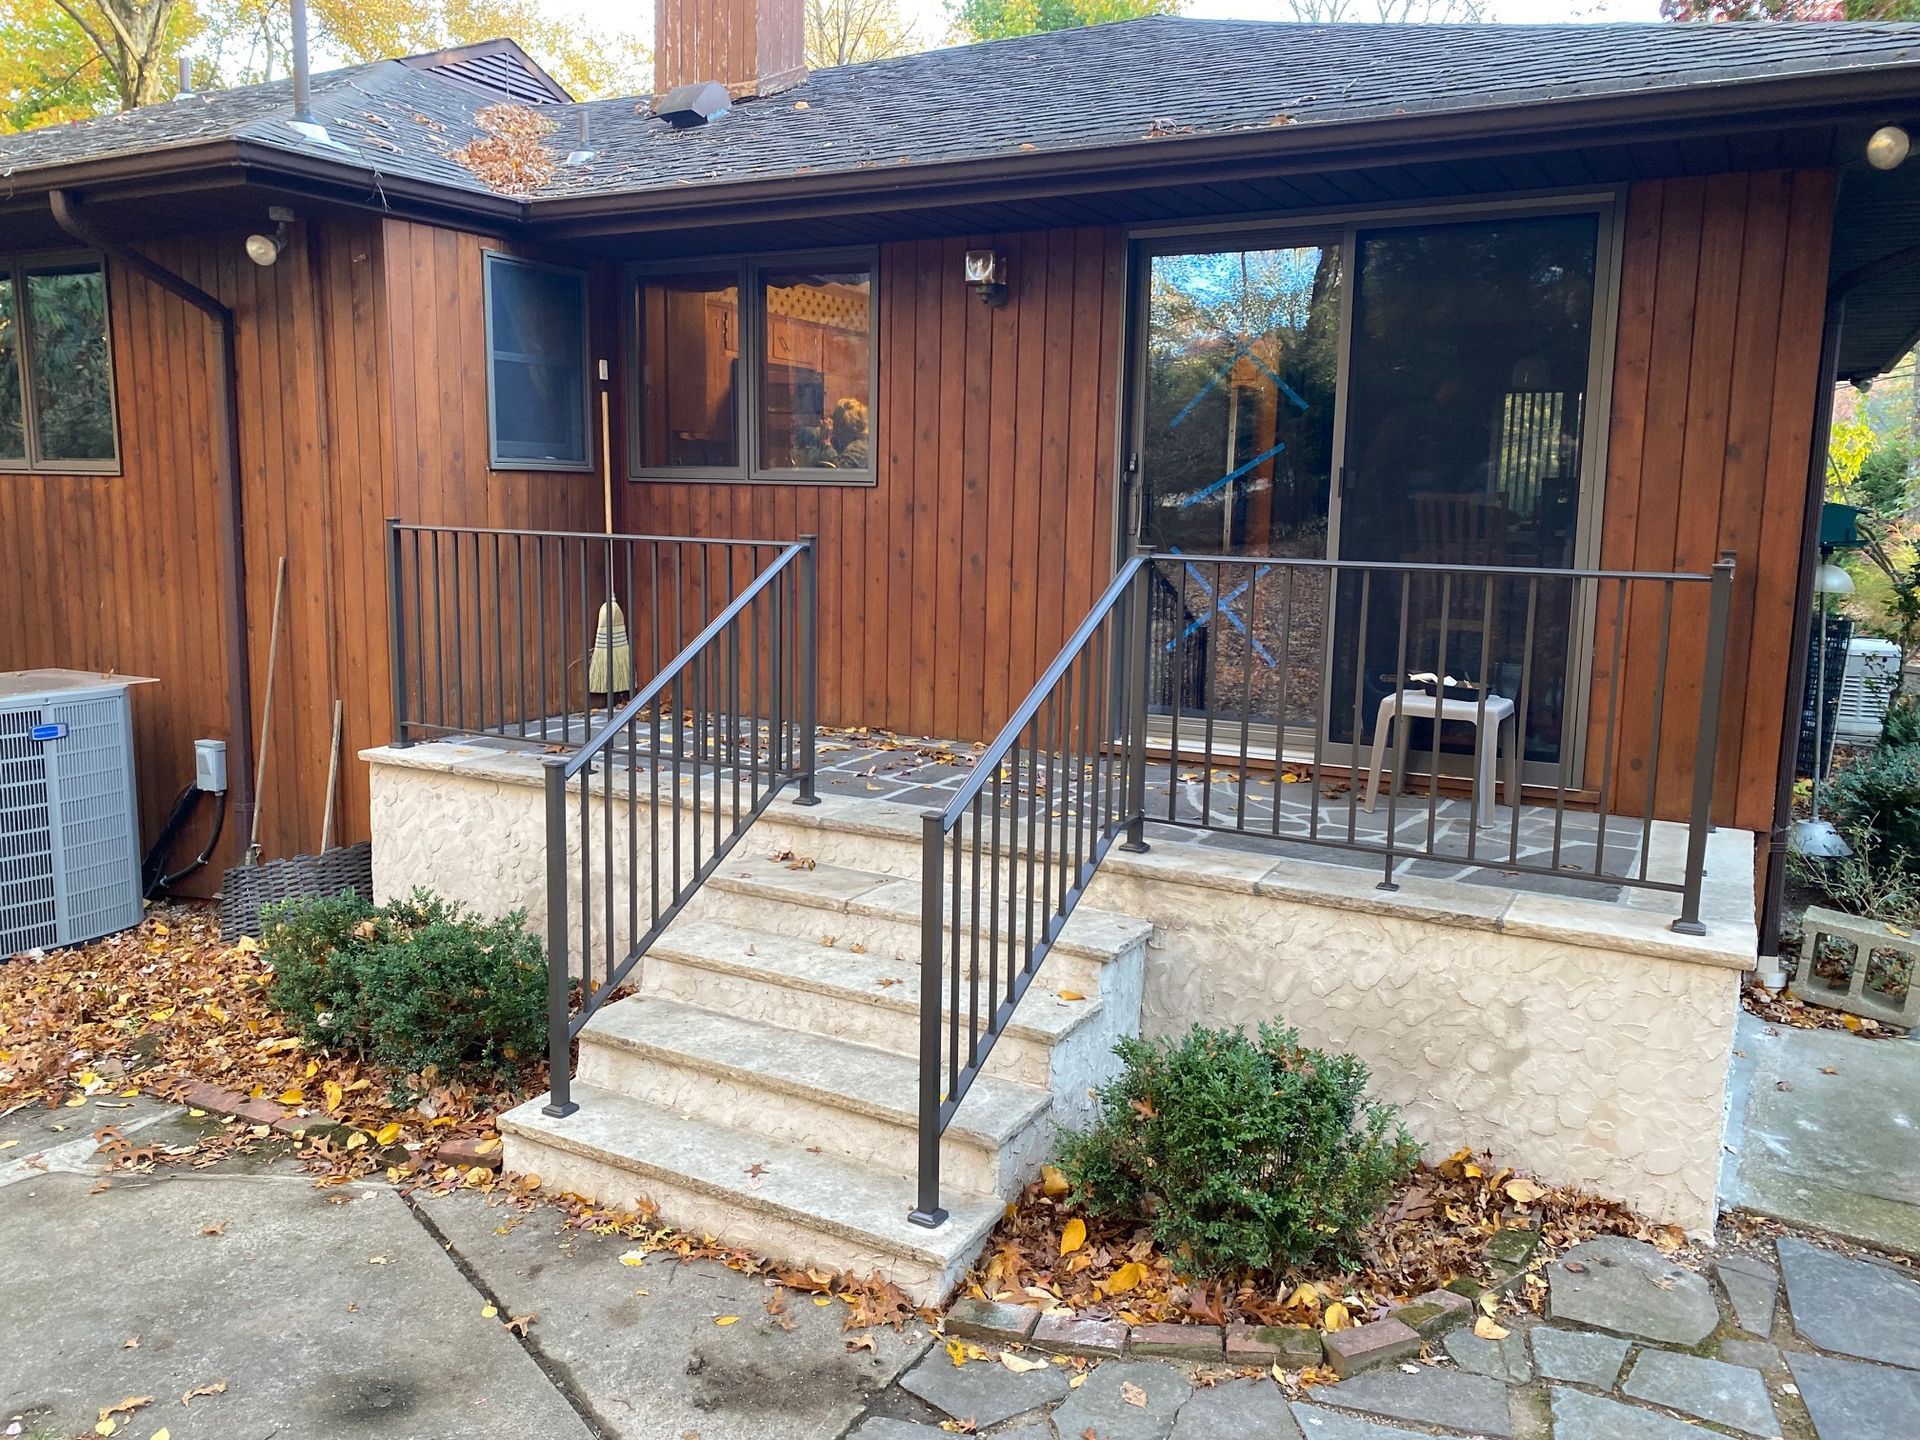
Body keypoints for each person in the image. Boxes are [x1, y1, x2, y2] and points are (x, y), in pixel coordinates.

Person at [825, 397, 869, 469]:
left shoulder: (858, 449)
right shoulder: (854, 442)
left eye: (835, 420)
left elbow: (836, 472)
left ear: (848, 425)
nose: (832, 426)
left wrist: (826, 442)